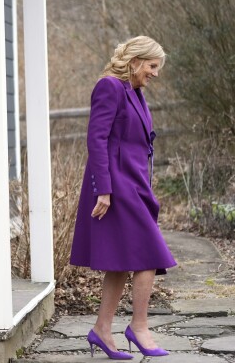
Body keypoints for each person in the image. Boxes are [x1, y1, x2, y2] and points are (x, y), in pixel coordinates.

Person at [70, 36, 177, 359]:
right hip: (115, 186)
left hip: (135, 183)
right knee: (150, 255)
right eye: (152, 66)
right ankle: (139, 327)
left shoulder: (136, 92)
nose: (155, 73)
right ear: (134, 61)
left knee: (120, 262)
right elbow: (97, 139)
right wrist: (103, 189)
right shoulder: (109, 87)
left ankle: (102, 329)